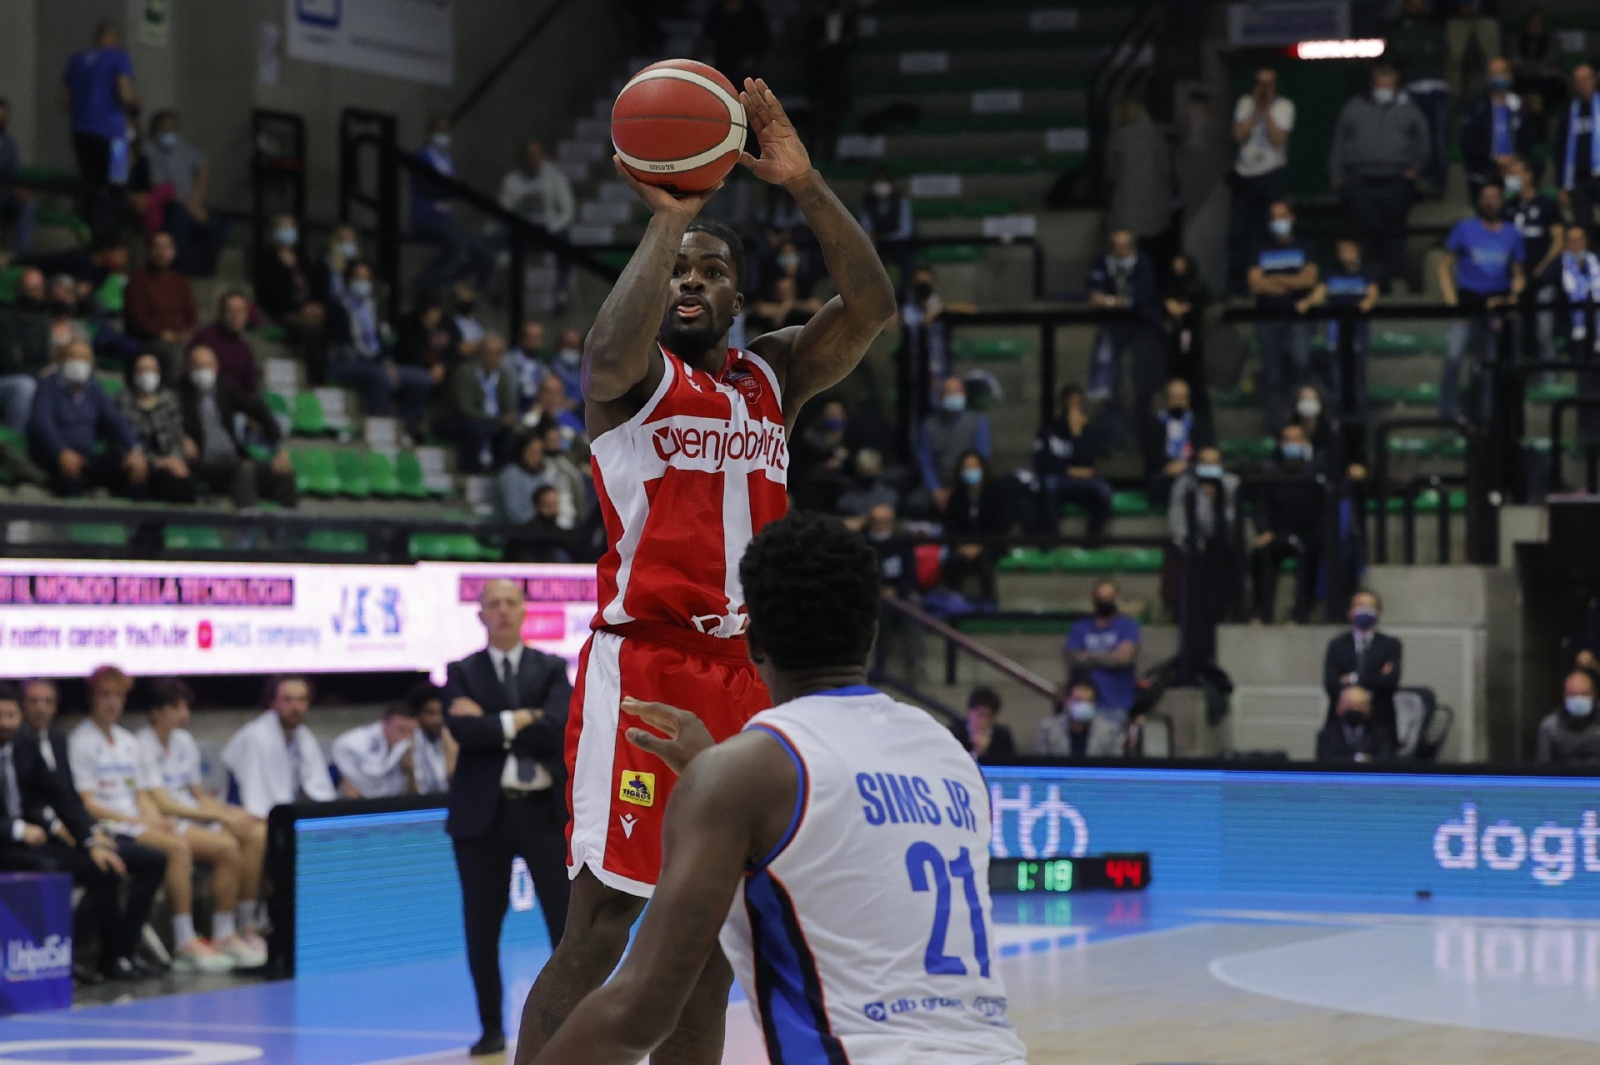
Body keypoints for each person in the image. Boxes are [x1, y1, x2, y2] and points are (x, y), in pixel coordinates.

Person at [514, 78, 895, 1065]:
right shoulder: (632, 381)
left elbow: (871, 306)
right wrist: (672, 215)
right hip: (644, 667)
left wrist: (806, 185)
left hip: (746, 678)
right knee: (603, 927)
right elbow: (601, 350)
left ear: (738, 295)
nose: (690, 281)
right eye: (677, 270)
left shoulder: (772, 376)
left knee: (715, 943)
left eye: (711, 270)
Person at [523, 512, 1027, 1065]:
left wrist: (716, 779)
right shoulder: (948, 755)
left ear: (754, 640)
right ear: (874, 630)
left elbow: (637, 1013)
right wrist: (716, 766)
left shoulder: (749, 775)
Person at [443, 579, 572, 1057]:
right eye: (492, 604)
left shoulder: (553, 668)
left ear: (524, 611)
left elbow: (556, 727)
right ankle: (491, 1028)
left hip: (542, 812)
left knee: (564, 926)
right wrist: (523, 719)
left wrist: (492, 722)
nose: (501, 611)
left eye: (510, 603)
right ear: (480, 615)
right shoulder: (461, 671)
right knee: (481, 927)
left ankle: (568, 1024)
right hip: (484, 818)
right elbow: (462, 729)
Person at [68, 667, 239, 972]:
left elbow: (141, 795)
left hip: (133, 822)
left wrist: (152, 818)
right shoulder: (81, 740)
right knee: (176, 848)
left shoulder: (125, 741)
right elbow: (88, 803)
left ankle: (144, 943)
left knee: (192, 843)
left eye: (118, 696)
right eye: (105, 695)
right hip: (109, 826)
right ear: (92, 698)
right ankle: (185, 941)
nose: (112, 703)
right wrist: (139, 821)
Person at [0, 681, 167, 984]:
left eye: (10, 716)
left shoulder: (27, 744)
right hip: (9, 842)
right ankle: (48, 960)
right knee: (47, 868)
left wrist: (89, 839)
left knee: (106, 867)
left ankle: (94, 954)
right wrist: (17, 828)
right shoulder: (51, 739)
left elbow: (57, 794)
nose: (5, 724)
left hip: (37, 837)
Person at [135, 678, 269, 963]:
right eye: (175, 706)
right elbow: (163, 803)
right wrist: (219, 814)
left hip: (193, 814)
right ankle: (207, 937)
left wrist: (229, 811)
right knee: (228, 847)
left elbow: (197, 794)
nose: (184, 713)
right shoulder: (142, 743)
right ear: (156, 711)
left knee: (256, 833)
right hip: (169, 819)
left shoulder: (183, 741)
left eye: (186, 706)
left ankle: (244, 927)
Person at [1330, 63, 1428, 292]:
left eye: (1389, 83)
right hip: (1360, 179)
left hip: (1395, 178)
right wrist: (1337, 174)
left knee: (1394, 234)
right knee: (1364, 233)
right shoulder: (1354, 107)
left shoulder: (1408, 108)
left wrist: (1416, 167)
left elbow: (1423, 140)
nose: (1384, 87)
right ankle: (1365, 281)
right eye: (1380, 82)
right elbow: (1339, 142)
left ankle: (1395, 281)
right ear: (1373, 83)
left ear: (1395, 84)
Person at [1438, 182, 1525, 419]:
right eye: (1485, 197)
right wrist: (1451, 301)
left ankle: (1485, 420)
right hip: (1468, 304)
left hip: (1497, 306)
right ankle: (1446, 418)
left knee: (1488, 366)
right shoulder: (1464, 228)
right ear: (1479, 201)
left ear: (1501, 201)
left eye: (1494, 197)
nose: (1490, 202)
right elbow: (1444, 266)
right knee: (1454, 357)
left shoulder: (1512, 232)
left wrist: (1513, 297)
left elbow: (1518, 275)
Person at [178, 344, 298, 509]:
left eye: (208, 365)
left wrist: (280, 448)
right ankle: (247, 527)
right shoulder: (178, 391)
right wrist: (181, 438)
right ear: (189, 367)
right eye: (198, 365)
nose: (203, 370)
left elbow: (258, 408)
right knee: (244, 468)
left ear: (216, 367)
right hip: (203, 463)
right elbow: (167, 422)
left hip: (232, 458)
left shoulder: (225, 386)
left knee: (283, 472)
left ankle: (288, 529)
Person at [29, 339, 149, 498]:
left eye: (84, 358)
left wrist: (135, 450)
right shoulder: (47, 385)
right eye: (73, 357)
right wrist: (61, 452)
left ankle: (135, 521)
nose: (79, 363)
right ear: (62, 360)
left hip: (87, 458)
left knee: (133, 469)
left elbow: (115, 420)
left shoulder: (93, 388)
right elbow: (42, 423)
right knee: (69, 479)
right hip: (56, 457)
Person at [219, 676, 336, 820]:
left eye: (302, 699)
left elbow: (318, 789)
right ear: (273, 702)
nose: (296, 707)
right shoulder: (256, 736)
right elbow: (258, 802)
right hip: (244, 816)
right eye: (288, 699)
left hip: (288, 813)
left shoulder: (303, 735)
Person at [60, 22, 137, 241]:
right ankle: (107, 240)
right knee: (118, 186)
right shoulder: (119, 57)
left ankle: (88, 236)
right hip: (114, 134)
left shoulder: (76, 60)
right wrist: (133, 103)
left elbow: (63, 100)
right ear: (113, 38)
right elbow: (124, 93)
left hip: (81, 132)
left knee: (91, 186)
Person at [1249, 201, 1318, 435]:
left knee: (1301, 366)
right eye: (1275, 217)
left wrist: (1275, 281)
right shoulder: (1259, 249)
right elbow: (1256, 285)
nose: (1280, 221)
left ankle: (1303, 428)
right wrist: (1291, 281)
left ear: (1292, 217)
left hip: (1298, 319)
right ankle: (1277, 432)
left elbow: (1309, 280)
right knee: (1273, 376)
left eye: (1283, 216)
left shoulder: (1305, 247)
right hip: (1267, 318)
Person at [1086, 228, 1163, 426]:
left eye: (1124, 246)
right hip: (1113, 326)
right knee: (1112, 375)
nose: (1119, 250)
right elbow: (1095, 292)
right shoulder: (1103, 262)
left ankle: (1142, 418)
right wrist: (1115, 301)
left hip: (1141, 326)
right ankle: (1115, 420)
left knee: (1142, 372)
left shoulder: (1143, 262)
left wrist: (1111, 301)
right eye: (1115, 246)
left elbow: (1140, 297)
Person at [1250, 424, 1326, 624]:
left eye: (1296, 439)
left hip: (1308, 534)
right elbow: (1261, 507)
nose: (1292, 443)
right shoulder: (1269, 472)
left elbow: (1323, 509)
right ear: (1281, 444)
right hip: (1277, 533)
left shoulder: (1316, 472)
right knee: (1261, 554)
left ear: (1304, 443)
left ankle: (1299, 614)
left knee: (1314, 553)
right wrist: (1264, 530)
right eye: (1288, 439)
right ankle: (1261, 612)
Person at [1228, 68, 1295, 295]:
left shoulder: (1284, 106)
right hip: (1244, 175)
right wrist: (1256, 110)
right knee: (1240, 232)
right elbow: (1238, 136)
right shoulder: (1245, 103)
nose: (1264, 90)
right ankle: (1239, 287)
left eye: (1269, 85)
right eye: (1260, 84)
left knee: (1271, 229)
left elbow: (1278, 140)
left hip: (1271, 173)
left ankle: (1273, 283)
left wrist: (1267, 112)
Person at [412, 116, 494, 296]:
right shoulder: (421, 156)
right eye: (439, 131)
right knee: (458, 248)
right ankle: (424, 283)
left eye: (446, 131)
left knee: (485, 256)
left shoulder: (448, 160)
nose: (443, 135)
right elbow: (430, 186)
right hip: (427, 217)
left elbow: (455, 187)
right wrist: (449, 184)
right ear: (430, 133)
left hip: (446, 218)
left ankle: (467, 292)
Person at [1301, 237, 1378, 419]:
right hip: (1335, 332)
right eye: (1341, 250)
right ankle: (1337, 421)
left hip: (1358, 330)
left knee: (1358, 379)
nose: (1345, 254)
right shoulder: (1331, 273)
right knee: (1337, 378)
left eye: (1348, 249)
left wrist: (1364, 305)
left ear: (1357, 250)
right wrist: (1306, 302)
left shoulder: (1367, 273)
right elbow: (1318, 295)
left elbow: (1372, 296)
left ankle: (1359, 420)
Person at [144, 110, 228, 276]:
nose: (169, 132)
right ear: (155, 128)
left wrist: (197, 199)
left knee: (221, 223)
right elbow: (159, 187)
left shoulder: (184, 147)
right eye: (164, 128)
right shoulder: (147, 149)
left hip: (190, 204)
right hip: (167, 204)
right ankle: (177, 269)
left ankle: (205, 272)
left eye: (173, 128)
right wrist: (189, 206)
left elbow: (203, 166)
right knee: (179, 214)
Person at [499, 141, 577, 310]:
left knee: (566, 246)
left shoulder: (555, 177)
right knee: (505, 246)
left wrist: (551, 229)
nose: (533, 160)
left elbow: (567, 211)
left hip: (550, 228)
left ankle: (560, 294)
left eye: (537, 155)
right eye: (530, 156)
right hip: (523, 230)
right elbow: (504, 209)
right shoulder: (513, 180)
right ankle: (510, 296)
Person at [1504, 154, 1564, 368]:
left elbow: (1558, 241)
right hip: (1515, 278)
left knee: (1543, 328)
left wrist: (1540, 270)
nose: (1511, 176)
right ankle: (1518, 378)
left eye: (1516, 172)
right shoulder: (1508, 207)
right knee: (1515, 330)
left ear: (1528, 176)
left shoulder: (1547, 204)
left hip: (1542, 277)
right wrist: (1517, 274)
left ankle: (1550, 377)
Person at [1032, 384, 1111, 543]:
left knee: (1104, 490)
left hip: (1081, 482)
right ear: (1063, 403)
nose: (1074, 406)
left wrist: (1077, 435)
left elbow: (1088, 463)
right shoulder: (1049, 429)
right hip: (1058, 480)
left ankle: (1092, 542)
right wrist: (1069, 471)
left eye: (1077, 402)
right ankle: (1051, 541)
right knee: (1048, 485)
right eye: (1070, 402)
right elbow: (1041, 463)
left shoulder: (1088, 430)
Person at [1386, 0, 1451, 195]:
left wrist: (1415, 53)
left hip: (1437, 89)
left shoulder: (1435, 26)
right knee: (1413, 139)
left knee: (1438, 138)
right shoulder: (1397, 28)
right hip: (1411, 90)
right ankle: (1414, 184)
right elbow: (1399, 54)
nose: (1416, 5)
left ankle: (1438, 183)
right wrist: (1422, 51)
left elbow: (1442, 51)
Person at [255, 214, 328, 382]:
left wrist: (314, 305)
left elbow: (313, 286)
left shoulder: (302, 258)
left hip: (306, 309)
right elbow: (270, 293)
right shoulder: (268, 259)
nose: (288, 231)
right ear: (275, 231)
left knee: (324, 318)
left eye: (291, 227)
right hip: (281, 310)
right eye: (284, 227)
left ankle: (326, 369)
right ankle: (315, 376)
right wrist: (300, 308)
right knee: (312, 325)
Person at [1322, 589, 1403, 738]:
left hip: (1380, 721)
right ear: (1349, 611)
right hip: (1340, 722)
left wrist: (1353, 679)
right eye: (1360, 605)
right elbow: (1331, 683)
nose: (1364, 610)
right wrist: (1374, 678)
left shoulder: (1390, 645)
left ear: (1378, 613)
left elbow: (1390, 682)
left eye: (1370, 606)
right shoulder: (1337, 645)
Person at [117, 352, 195, 503]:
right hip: (140, 463)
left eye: (152, 370)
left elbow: (177, 435)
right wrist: (157, 462)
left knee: (182, 480)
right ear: (134, 374)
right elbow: (122, 442)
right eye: (143, 370)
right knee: (146, 477)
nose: (148, 374)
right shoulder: (123, 401)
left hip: (169, 462)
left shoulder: (169, 400)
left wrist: (175, 460)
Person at [439, 330, 518, 474]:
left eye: (497, 354)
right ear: (479, 353)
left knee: (508, 432)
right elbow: (465, 410)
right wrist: (498, 420)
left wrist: (505, 419)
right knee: (476, 429)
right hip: (455, 421)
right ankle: (470, 472)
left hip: (490, 422)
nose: (491, 358)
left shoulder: (503, 375)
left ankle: (503, 473)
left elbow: (509, 406)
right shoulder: (464, 372)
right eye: (487, 352)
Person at [1063, 581, 1141, 725]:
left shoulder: (1128, 626)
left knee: (1106, 743)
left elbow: (1123, 658)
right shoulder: (1079, 628)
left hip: (1115, 704)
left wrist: (1090, 655)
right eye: (1101, 597)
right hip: (1083, 702)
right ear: (1094, 599)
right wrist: (1109, 657)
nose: (1104, 601)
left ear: (1116, 598)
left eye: (1109, 597)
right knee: (1078, 739)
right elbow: (1074, 659)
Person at [1106, 100, 1174, 263]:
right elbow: (1167, 171)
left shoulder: (1116, 139)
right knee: (1156, 259)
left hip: (1126, 213)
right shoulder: (1157, 135)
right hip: (1157, 212)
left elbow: (1110, 175)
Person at [1461, 57, 1539, 200]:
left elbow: (1529, 139)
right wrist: (1496, 158)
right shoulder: (1476, 106)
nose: (1499, 77)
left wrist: (1515, 160)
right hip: (1485, 168)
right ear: (1488, 77)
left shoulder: (1518, 105)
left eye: (1502, 72)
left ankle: (1514, 205)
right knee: (1490, 194)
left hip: (1515, 166)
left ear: (1510, 76)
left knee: (1527, 173)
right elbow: (1469, 142)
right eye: (1494, 73)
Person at [124, 231, 198, 377]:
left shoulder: (181, 282)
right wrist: (163, 334)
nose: (162, 252)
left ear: (174, 251)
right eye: (158, 247)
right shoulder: (138, 281)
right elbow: (138, 318)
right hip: (150, 340)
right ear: (150, 251)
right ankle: (170, 397)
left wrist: (186, 333)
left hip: (180, 338)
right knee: (175, 354)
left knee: (205, 353)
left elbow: (192, 314)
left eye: (166, 248)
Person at [917, 374, 991, 514]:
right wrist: (936, 490)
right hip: (938, 486)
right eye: (949, 392)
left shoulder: (978, 422)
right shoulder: (929, 425)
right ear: (940, 396)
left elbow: (983, 458)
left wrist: (959, 492)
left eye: (957, 392)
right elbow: (925, 461)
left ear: (965, 395)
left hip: (968, 485)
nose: (953, 395)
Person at [941, 450, 1005, 607]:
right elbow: (950, 527)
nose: (971, 471)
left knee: (984, 561)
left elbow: (999, 526)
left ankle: (989, 603)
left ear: (982, 469)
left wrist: (979, 546)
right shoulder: (957, 497)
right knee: (952, 560)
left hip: (990, 544)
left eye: (974, 467)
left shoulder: (995, 494)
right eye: (967, 468)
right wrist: (962, 546)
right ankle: (953, 603)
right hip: (963, 545)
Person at [0, 268, 54, 432]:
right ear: (19, 290)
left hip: (31, 377)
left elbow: (44, 360)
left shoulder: (42, 323)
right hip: (6, 380)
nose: (32, 294)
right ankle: (15, 442)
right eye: (28, 289)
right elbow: (8, 363)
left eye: (37, 290)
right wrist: (36, 371)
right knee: (25, 386)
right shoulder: (4, 318)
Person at [804, 0, 857, 165]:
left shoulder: (849, 23)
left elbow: (852, 44)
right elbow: (809, 45)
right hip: (819, 80)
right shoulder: (816, 23)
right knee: (816, 121)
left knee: (834, 121)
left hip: (838, 82)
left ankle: (830, 155)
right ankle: (810, 155)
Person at [332, 702, 420, 799]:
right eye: (402, 730)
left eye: (411, 731)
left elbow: (415, 795)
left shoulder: (414, 746)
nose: (407, 737)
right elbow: (350, 788)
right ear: (385, 724)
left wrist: (410, 771)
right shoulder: (352, 744)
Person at [1161, 252, 1211, 419]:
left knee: (1195, 381)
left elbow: (1205, 303)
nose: (1179, 271)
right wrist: (1170, 307)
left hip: (1194, 342)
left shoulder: (1199, 288)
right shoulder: (1168, 288)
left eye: (1182, 268)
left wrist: (1187, 308)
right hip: (1173, 342)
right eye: (1176, 268)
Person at [1144, 376, 1205, 507]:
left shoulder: (1198, 424)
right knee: (1179, 485)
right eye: (1174, 397)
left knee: (1218, 477)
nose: (1178, 402)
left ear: (1188, 399)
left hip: (1194, 469)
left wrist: (1186, 465)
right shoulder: (1155, 424)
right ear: (1167, 399)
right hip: (1164, 472)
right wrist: (1172, 466)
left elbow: (1205, 451)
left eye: (1182, 398)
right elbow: (1152, 456)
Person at [188, 290, 260, 396]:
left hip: (236, 404)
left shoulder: (244, 348)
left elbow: (249, 386)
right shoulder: (205, 338)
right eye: (231, 311)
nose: (236, 316)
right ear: (221, 312)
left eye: (240, 311)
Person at [1558, 63, 1600, 240]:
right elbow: (1560, 148)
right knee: (1583, 227)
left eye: (1586, 79)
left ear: (1595, 80)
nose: (1582, 84)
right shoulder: (1568, 111)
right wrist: (1562, 185)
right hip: (1579, 180)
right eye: (1578, 81)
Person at [857, 166, 915, 295]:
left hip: (899, 245)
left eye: (884, 182)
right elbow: (866, 229)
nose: (881, 186)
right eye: (877, 182)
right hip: (876, 246)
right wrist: (875, 240)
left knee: (906, 260)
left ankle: (902, 296)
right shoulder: (867, 203)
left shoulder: (901, 201)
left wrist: (880, 236)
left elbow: (905, 231)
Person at [1034, 676, 1123, 757]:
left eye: (1088, 701)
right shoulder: (1048, 729)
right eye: (1078, 701)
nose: (1083, 706)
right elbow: (1039, 764)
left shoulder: (1111, 731)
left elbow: (1115, 768)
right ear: (1067, 701)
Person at [1315, 686, 1397, 763]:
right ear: (1338, 707)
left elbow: (1384, 761)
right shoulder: (1326, 737)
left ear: (1369, 709)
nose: (1355, 709)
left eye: (1360, 705)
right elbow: (1326, 762)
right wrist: (1361, 759)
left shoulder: (1381, 737)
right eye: (1350, 705)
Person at [1535, 668, 1600, 764]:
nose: (1579, 700)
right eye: (1573, 695)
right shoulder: (1549, 727)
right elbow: (1542, 770)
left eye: (1584, 694)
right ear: (1564, 696)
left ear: (1594, 695)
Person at [702, 0, 771, 86]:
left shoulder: (753, 10)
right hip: (721, 60)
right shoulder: (717, 9)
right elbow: (708, 35)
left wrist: (753, 56)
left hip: (745, 63)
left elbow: (763, 36)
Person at [0, 98, 37, 254]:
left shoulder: (9, 144)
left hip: (5, 193)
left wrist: (18, 190)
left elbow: (13, 174)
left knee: (27, 204)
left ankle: (22, 253)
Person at [1559, 223, 1600, 358]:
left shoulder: (1595, 260)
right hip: (1571, 324)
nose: (1577, 244)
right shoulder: (1559, 264)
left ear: (1586, 240)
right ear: (1566, 242)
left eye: (1580, 239)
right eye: (1572, 240)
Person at [407, 682, 453, 796]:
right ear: (418, 714)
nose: (438, 720)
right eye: (431, 713)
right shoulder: (407, 742)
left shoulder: (452, 739)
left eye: (441, 713)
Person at [951, 685, 1016, 761]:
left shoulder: (1003, 735)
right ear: (969, 712)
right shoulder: (954, 733)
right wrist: (976, 752)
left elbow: (1009, 763)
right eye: (980, 715)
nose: (984, 721)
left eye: (989, 716)